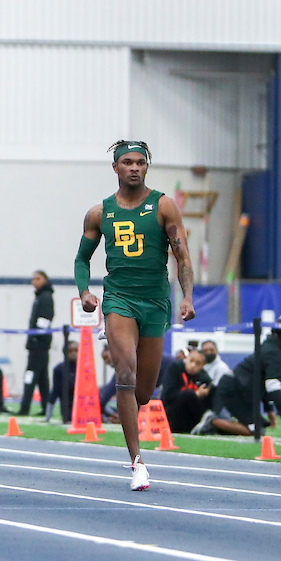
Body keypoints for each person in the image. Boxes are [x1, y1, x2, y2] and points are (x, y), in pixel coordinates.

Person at [75, 140, 194, 491]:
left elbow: (182, 256)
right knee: (124, 372)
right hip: (119, 298)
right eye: (127, 162)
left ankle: (122, 342)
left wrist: (187, 296)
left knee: (143, 392)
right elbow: (82, 259)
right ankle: (137, 462)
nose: (134, 168)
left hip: (155, 300)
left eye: (141, 162)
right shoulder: (100, 212)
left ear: (147, 167)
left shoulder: (164, 206)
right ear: (115, 167)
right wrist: (84, 291)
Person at [194, 330, 281, 436]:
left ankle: (218, 425)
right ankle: (212, 422)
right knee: (257, 431)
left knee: (259, 426)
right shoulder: (274, 352)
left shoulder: (272, 347)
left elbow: (265, 383)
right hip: (235, 390)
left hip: (240, 390)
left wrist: (270, 412)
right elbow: (272, 386)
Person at [19, 270, 55, 416]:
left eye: (38, 278)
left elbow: (45, 319)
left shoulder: (45, 297)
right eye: (33, 279)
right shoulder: (41, 296)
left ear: (45, 280)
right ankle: (46, 407)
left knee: (31, 374)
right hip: (39, 343)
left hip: (39, 343)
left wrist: (34, 337)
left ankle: (25, 407)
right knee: (42, 378)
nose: (35, 281)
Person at [160, 347, 213, 433]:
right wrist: (194, 394)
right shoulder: (175, 368)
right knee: (189, 396)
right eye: (191, 361)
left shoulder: (204, 378)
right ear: (186, 359)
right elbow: (168, 394)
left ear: (202, 366)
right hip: (172, 410)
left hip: (192, 415)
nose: (193, 365)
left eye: (198, 363)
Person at [47, 339, 78, 423]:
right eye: (70, 351)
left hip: (86, 406)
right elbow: (55, 392)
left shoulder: (85, 368)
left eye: (76, 351)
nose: (74, 354)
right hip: (69, 411)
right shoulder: (59, 369)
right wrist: (48, 416)